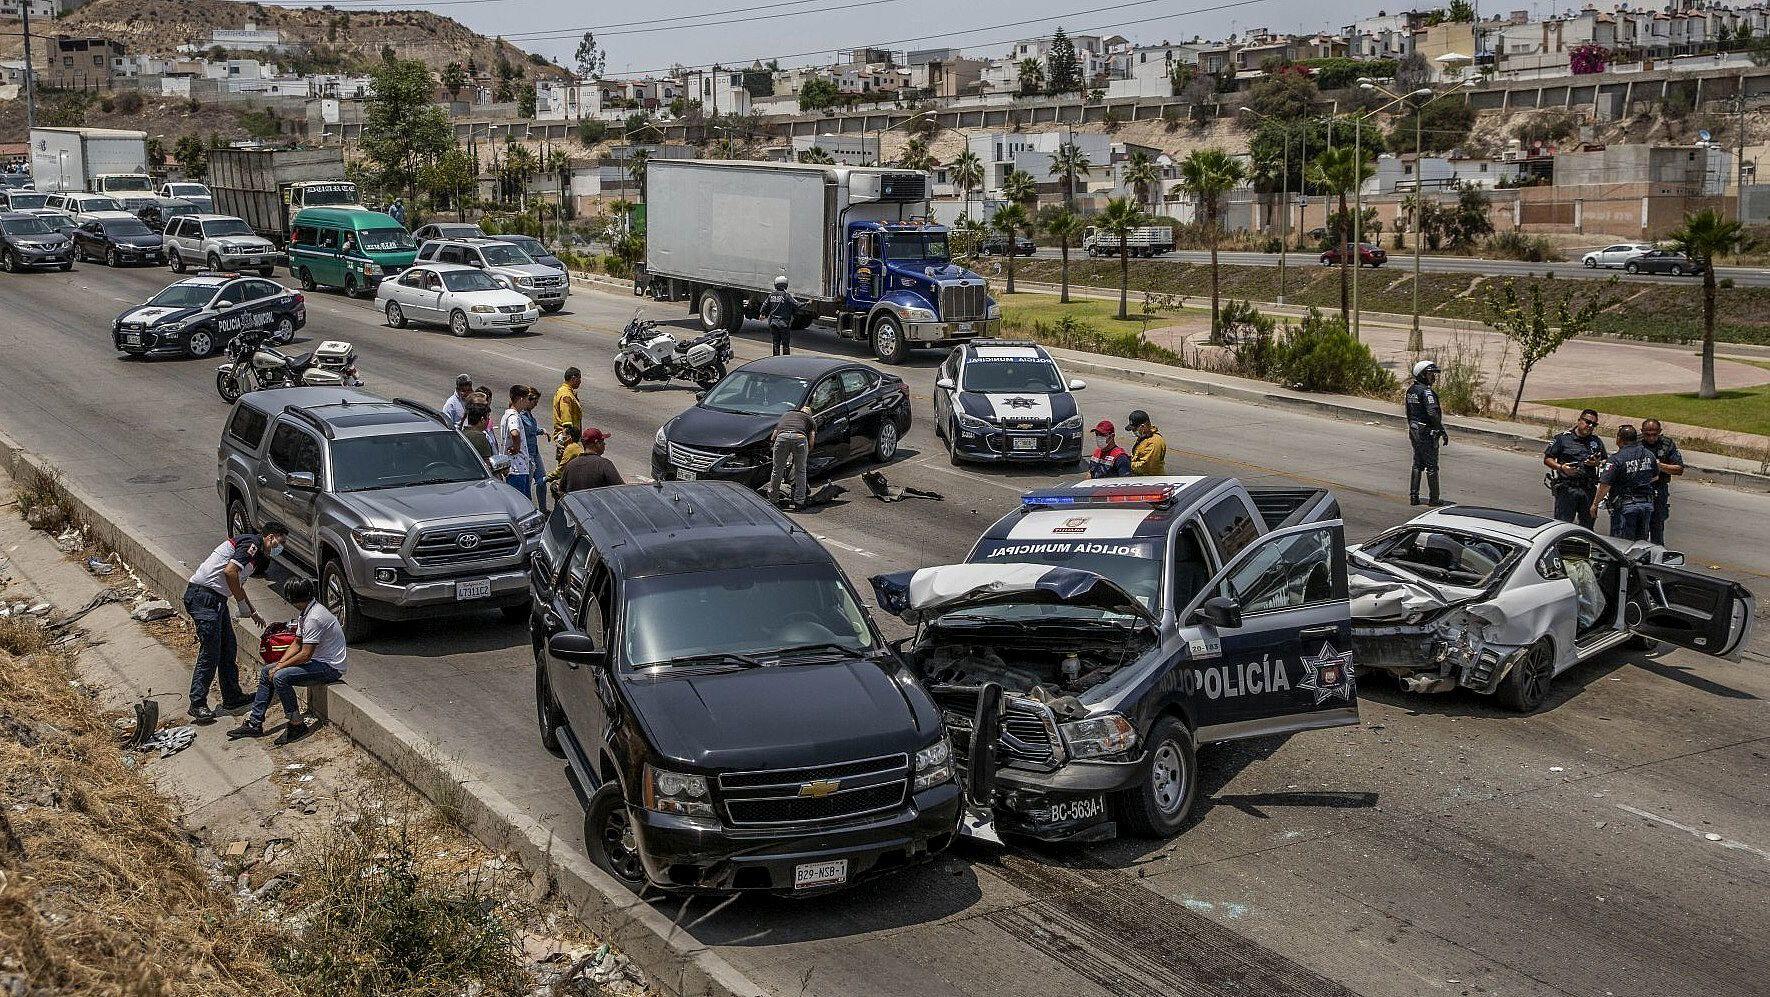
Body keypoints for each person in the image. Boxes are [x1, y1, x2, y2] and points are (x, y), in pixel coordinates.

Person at [183, 523, 287, 723]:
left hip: (215, 600)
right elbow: (230, 572)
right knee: (211, 651)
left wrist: (252, 610)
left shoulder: (255, 557)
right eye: (280, 542)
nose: (279, 548)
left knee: (228, 648)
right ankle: (197, 703)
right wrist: (240, 603)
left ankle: (232, 696)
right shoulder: (252, 543)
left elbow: (237, 582)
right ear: (270, 537)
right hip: (204, 598)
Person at [227, 577, 346, 746]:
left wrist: (280, 667)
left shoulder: (314, 618)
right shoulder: (306, 612)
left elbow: (305, 654)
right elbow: (296, 643)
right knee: (267, 671)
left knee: (280, 677)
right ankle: (255, 722)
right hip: (317, 662)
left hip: (329, 667)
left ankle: (296, 724)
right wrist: (278, 664)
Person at [1593, 425, 1659, 542]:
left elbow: (1605, 485)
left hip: (1626, 506)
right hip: (1646, 505)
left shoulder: (1616, 459)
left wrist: (1595, 504)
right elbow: (1655, 476)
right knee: (1640, 544)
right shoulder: (1649, 455)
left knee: (1621, 544)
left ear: (1619, 439)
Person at [1544, 409, 1608, 528]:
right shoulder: (1562, 439)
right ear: (1579, 421)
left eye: (1593, 424)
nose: (1590, 426)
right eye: (1587, 422)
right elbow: (1548, 459)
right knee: (1562, 525)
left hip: (1588, 490)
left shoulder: (1596, 441)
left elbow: (1604, 460)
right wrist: (1561, 467)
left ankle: (1582, 547)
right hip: (1568, 488)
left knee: (1587, 527)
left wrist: (1596, 463)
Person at [1405, 360, 1450, 507]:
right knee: (1432, 466)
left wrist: (1412, 428)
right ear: (1422, 375)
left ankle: (1414, 496)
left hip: (1414, 429)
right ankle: (1434, 499)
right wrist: (1441, 430)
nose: (1433, 378)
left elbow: (1408, 413)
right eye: (1430, 374)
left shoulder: (1411, 390)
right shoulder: (1427, 392)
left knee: (1417, 464)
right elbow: (1432, 413)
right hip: (1426, 431)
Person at [1640, 418, 1684, 545]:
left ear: (1660, 432)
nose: (1651, 437)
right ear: (1642, 432)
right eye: (1647, 434)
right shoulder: (1636, 443)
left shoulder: (1667, 444)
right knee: (1639, 528)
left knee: (1657, 526)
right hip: (1639, 490)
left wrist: (1659, 466)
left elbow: (1679, 469)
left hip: (1659, 490)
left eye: (1654, 434)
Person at [768, 405, 815, 509]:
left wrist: (774, 446)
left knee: (777, 470)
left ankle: (774, 501)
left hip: (782, 438)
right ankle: (799, 502)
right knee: (801, 471)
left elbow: (773, 436)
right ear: (809, 414)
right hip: (799, 438)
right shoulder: (809, 419)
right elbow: (811, 440)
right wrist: (807, 451)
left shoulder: (786, 415)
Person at [560, 428, 624, 494]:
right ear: (597, 443)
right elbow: (621, 489)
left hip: (576, 504)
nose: (604, 444)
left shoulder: (570, 465)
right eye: (602, 441)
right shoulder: (604, 464)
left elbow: (561, 490)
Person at [501, 385, 536, 500]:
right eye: (527, 399)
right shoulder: (513, 416)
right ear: (521, 399)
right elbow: (515, 432)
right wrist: (516, 447)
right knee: (520, 502)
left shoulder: (509, 414)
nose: (527, 402)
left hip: (518, 468)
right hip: (517, 469)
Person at [520, 385, 549, 513]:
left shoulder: (529, 414)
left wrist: (541, 431)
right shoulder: (520, 416)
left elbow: (532, 430)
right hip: (527, 454)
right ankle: (529, 511)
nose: (536, 405)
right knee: (527, 485)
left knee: (542, 480)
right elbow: (527, 430)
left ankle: (543, 509)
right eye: (534, 402)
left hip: (534, 451)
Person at [760, 275, 801, 356]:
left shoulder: (771, 295)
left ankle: (775, 359)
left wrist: (762, 313)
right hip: (783, 324)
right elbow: (796, 305)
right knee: (785, 344)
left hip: (773, 323)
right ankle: (785, 360)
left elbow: (764, 306)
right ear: (786, 285)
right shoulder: (786, 296)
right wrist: (807, 303)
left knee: (776, 343)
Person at [1126, 410, 1166, 476]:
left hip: (1152, 480)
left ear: (1143, 427)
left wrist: (1127, 464)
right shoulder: (1144, 438)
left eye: (1134, 429)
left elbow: (1145, 466)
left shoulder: (1154, 442)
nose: (1133, 431)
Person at [552, 367, 583, 450]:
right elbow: (566, 420)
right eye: (579, 378)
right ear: (573, 378)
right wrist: (567, 439)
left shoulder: (568, 392)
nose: (580, 381)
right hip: (568, 438)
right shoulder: (566, 395)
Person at [462, 402, 496, 470]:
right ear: (482, 419)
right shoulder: (480, 438)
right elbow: (487, 465)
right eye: (488, 417)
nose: (489, 420)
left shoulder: (461, 434)